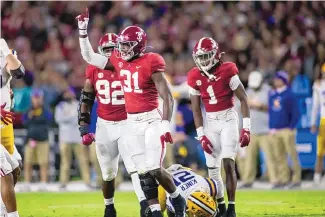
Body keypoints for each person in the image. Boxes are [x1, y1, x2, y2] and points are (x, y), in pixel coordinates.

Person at [76, 8, 186, 217]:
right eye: (122, 44)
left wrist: (165, 124)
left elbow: (168, 96)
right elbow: (89, 56)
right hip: (131, 123)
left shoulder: (151, 60)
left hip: (151, 120)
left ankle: (176, 196)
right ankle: (153, 210)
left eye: (127, 44)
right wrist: (83, 31)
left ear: (139, 45)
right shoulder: (117, 61)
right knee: (143, 172)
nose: (123, 49)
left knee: (154, 168)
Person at [77, 32, 149, 217]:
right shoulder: (93, 69)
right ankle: (109, 207)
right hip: (105, 126)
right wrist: (84, 126)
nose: (109, 55)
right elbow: (86, 98)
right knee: (108, 174)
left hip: (127, 122)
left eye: (112, 50)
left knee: (135, 168)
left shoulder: (128, 66)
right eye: (106, 50)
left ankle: (144, 205)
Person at [187, 37, 251, 217]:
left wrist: (246, 128)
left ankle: (231, 207)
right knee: (212, 167)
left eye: (206, 56)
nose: (203, 61)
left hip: (228, 118)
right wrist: (201, 135)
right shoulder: (194, 75)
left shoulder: (228, 70)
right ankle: (220, 205)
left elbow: (244, 99)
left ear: (215, 55)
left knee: (228, 162)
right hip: (210, 121)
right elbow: (196, 110)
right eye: (200, 57)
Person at [0, 38, 25, 217]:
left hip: (3, 123)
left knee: (15, 168)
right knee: (6, 172)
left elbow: (19, 72)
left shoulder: (3, 50)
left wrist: (6, 53)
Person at [240, 71, 277, 188]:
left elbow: (275, 108)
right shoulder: (248, 91)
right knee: (249, 158)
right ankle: (247, 180)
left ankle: (275, 180)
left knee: (270, 157)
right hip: (251, 130)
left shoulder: (269, 91)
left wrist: (260, 106)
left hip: (266, 130)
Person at [268, 71, 301, 189]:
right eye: (275, 79)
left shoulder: (290, 94)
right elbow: (271, 112)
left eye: (278, 79)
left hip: (287, 129)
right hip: (275, 130)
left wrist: (291, 127)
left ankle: (296, 179)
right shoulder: (272, 94)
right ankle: (283, 179)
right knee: (279, 156)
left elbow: (296, 112)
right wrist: (271, 127)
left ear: (283, 80)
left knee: (292, 154)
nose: (276, 81)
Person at [55, 87, 91, 190]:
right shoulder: (60, 106)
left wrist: (68, 118)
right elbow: (58, 119)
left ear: (73, 94)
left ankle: (87, 182)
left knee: (83, 160)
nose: (67, 95)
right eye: (66, 93)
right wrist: (72, 118)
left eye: (69, 93)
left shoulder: (79, 105)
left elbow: (80, 119)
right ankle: (63, 183)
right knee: (65, 161)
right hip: (65, 138)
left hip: (77, 137)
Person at [23, 89, 52, 190]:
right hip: (30, 140)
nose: (36, 100)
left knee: (43, 162)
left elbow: (50, 121)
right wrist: (30, 117)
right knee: (28, 162)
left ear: (42, 98)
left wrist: (35, 118)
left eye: (38, 98)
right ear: (32, 99)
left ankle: (43, 183)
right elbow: (24, 123)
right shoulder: (28, 111)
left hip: (43, 140)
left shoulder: (46, 110)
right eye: (35, 98)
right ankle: (27, 183)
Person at [311, 63, 325, 184]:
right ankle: (317, 175)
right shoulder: (318, 85)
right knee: (320, 149)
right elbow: (315, 105)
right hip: (323, 120)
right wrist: (312, 122)